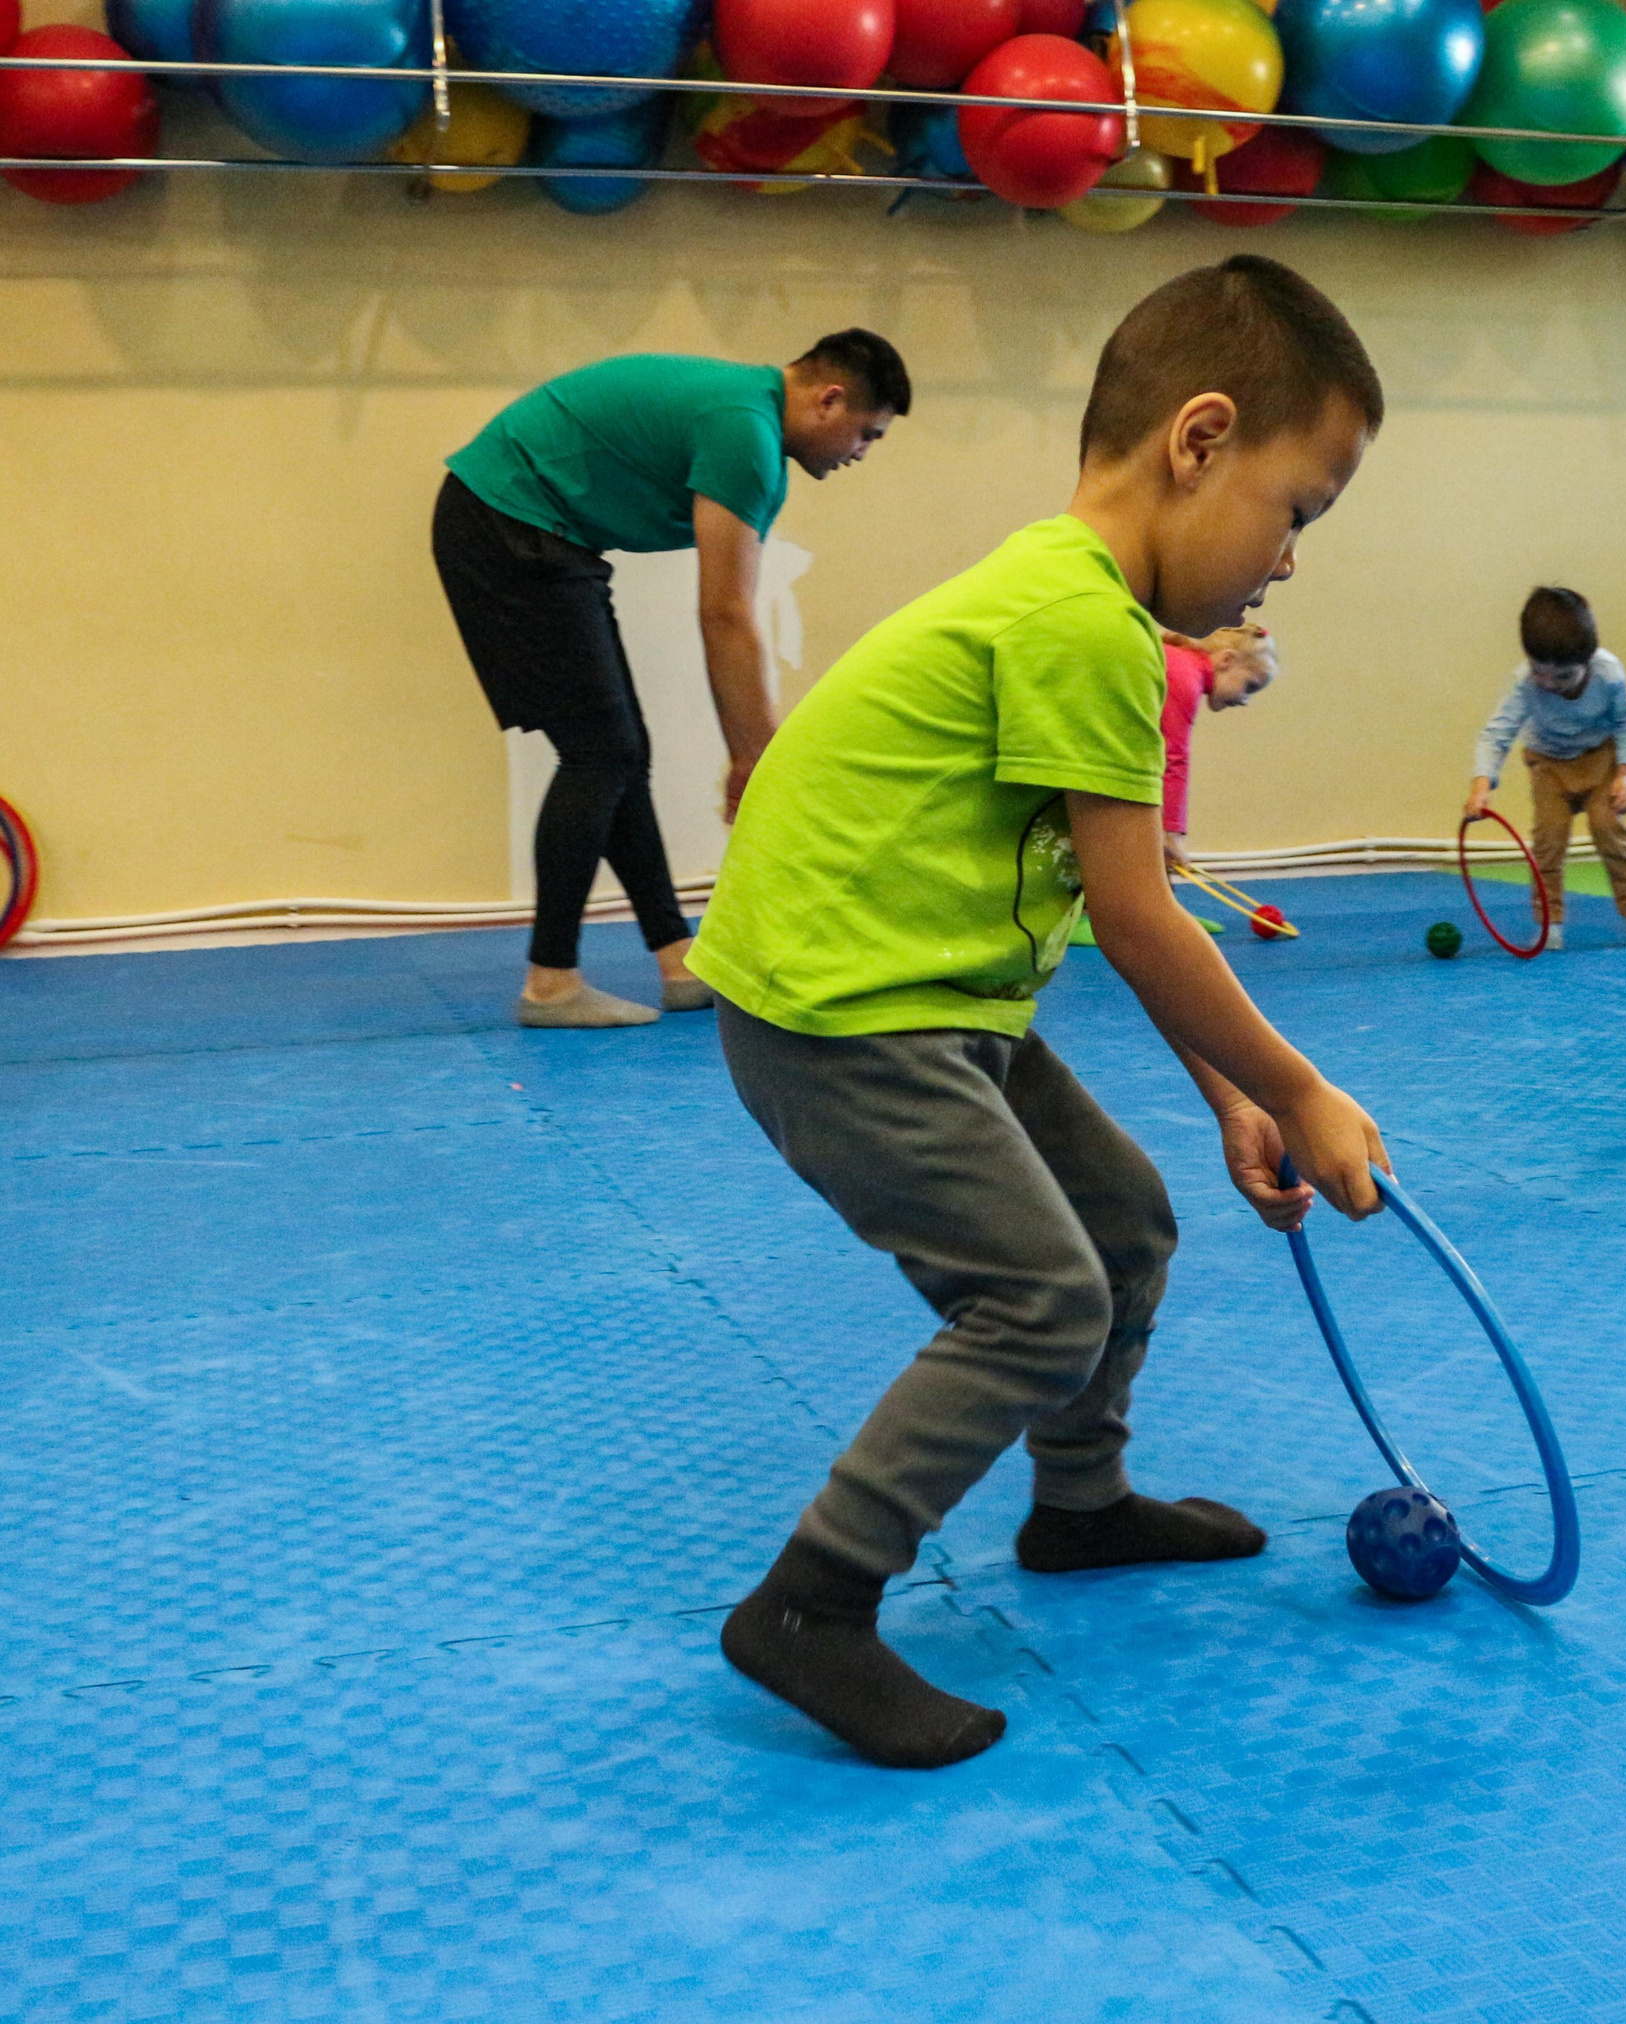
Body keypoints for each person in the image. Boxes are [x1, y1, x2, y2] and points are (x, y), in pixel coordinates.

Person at [685, 256, 1388, 1772]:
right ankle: (811, 1603)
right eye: (1297, 511)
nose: (1287, 561)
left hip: (934, 996)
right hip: (845, 1014)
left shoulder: (1070, 604)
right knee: (1038, 1294)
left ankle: (1079, 1506)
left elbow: (1118, 894)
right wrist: (1304, 1086)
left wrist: (1226, 1095)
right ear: (1198, 440)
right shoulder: (1081, 626)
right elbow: (1139, 918)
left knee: (1124, 1223)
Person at [433, 330, 911, 1028]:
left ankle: (677, 959)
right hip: (507, 522)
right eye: (867, 434)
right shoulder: (744, 432)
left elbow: (728, 613)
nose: (862, 453)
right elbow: (725, 613)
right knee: (602, 752)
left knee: (620, 750)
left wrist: (752, 753)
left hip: (539, 531)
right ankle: (551, 983)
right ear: (828, 399)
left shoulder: (748, 421)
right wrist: (753, 758)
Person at [1464, 588, 1626, 951]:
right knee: (1548, 842)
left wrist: (1625, 773)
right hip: (1549, 766)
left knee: (1610, 830)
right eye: (1541, 673)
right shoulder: (1525, 683)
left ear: (1586, 662)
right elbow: (1497, 733)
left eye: (1563, 677)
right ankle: (1549, 924)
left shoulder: (1609, 674)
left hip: (1600, 760)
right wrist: (1482, 785)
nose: (1549, 684)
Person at [1160, 623, 1279, 868]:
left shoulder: (1178, 662)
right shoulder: (1185, 676)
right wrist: (1170, 834)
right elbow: (1174, 757)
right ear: (1226, 660)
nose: (1245, 700)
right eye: (1250, 686)